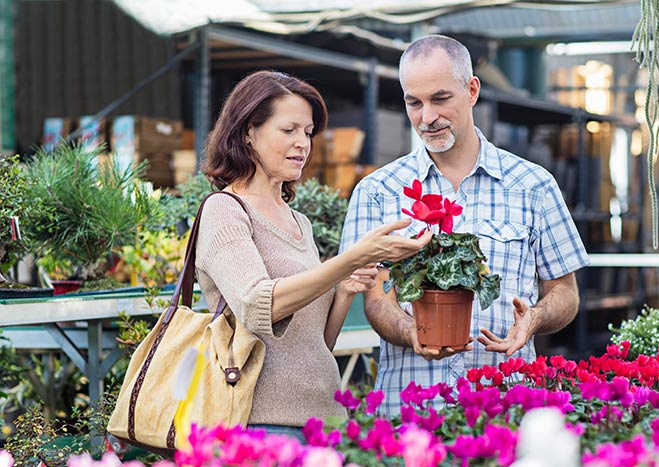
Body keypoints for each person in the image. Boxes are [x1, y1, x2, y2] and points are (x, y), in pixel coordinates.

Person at [340, 35, 589, 416]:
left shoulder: (533, 185)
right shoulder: (377, 191)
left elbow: (565, 292)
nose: (427, 117)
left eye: (441, 99)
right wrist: (411, 332)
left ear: (472, 90)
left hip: (505, 406)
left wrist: (534, 319)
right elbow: (374, 297)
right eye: (414, 103)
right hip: (408, 410)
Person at [195, 70, 432, 440]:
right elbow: (260, 306)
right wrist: (348, 260)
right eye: (288, 130)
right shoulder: (225, 211)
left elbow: (318, 344)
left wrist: (345, 290)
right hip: (262, 426)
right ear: (247, 132)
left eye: (308, 133)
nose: (302, 143)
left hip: (324, 421)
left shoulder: (298, 222)